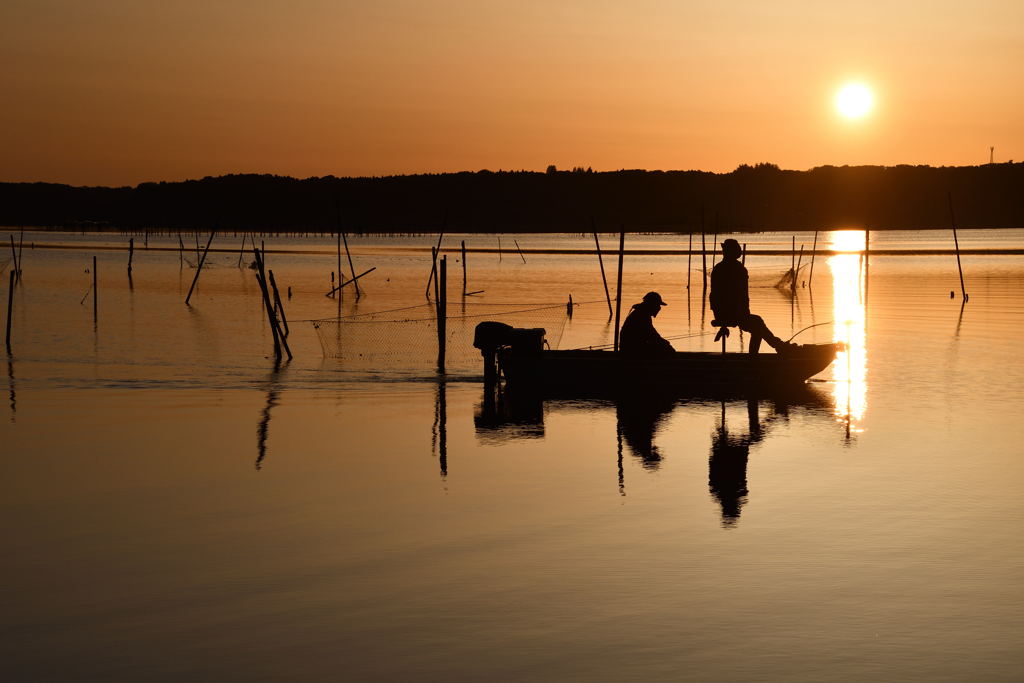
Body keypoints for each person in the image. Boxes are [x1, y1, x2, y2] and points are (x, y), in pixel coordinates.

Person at [710, 239, 793, 354]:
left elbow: (714, 296)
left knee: (756, 323)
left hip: (722, 312)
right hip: (732, 313)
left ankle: (776, 346)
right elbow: (741, 296)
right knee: (757, 323)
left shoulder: (718, 268)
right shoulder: (737, 269)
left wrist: (719, 314)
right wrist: (741, 315)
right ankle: (767, 351)